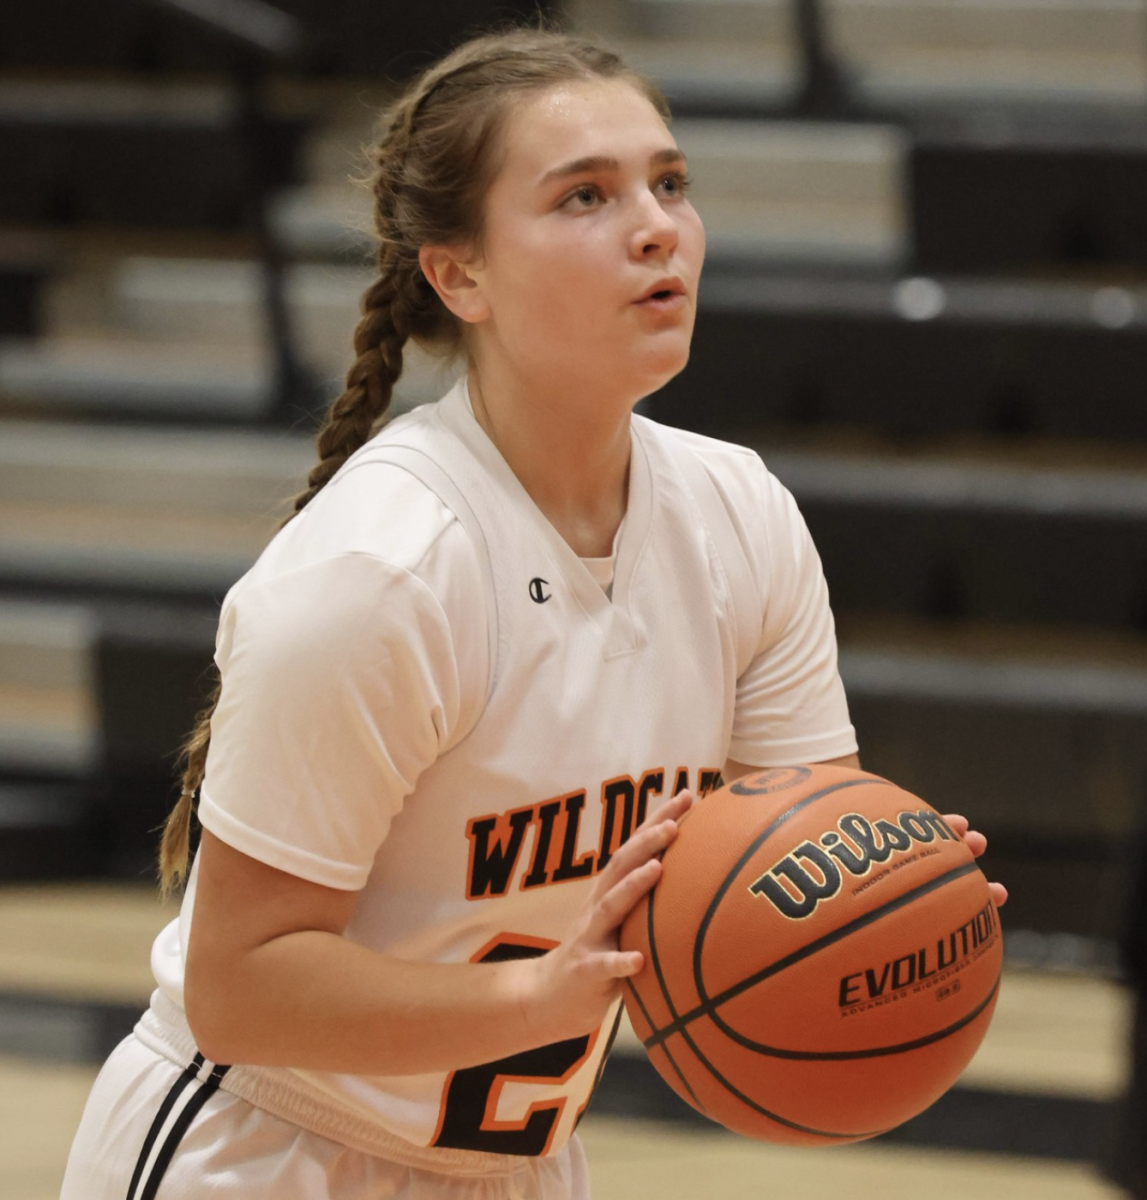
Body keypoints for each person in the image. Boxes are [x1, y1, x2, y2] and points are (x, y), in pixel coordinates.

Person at [61, 25, 1005, 1200]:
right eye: (584, 197)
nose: (657, 226)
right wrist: (535, 997)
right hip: (265, 1150)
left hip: (519, 1164)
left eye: (668, 182)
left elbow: (794, 846)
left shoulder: (739, 514)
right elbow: (240, 989)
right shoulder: (384, 571)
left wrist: (890, 907)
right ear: (459, 275)